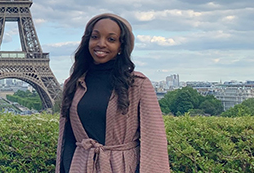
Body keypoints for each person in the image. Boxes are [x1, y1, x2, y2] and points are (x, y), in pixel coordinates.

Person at [56, 13, 170, 173]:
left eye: (111, 39)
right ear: (87, 40)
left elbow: (153, 140)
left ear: (121, 46)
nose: (101, 44)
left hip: (121, 167)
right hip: (81, 166)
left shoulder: (137, 84)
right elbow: (67, 138)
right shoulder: (73, 84)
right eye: (95, 37)